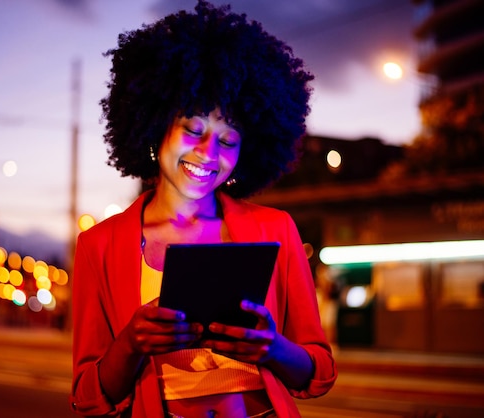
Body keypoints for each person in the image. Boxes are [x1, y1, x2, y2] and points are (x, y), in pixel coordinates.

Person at [69, 1, 337, 417]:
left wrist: (272, 347)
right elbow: (88, 397)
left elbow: (317, 373)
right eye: (193, 129)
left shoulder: (276, 230)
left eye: (228, 140)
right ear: (155, 128)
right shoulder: (98, 245)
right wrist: (131, 344)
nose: (208, 153)